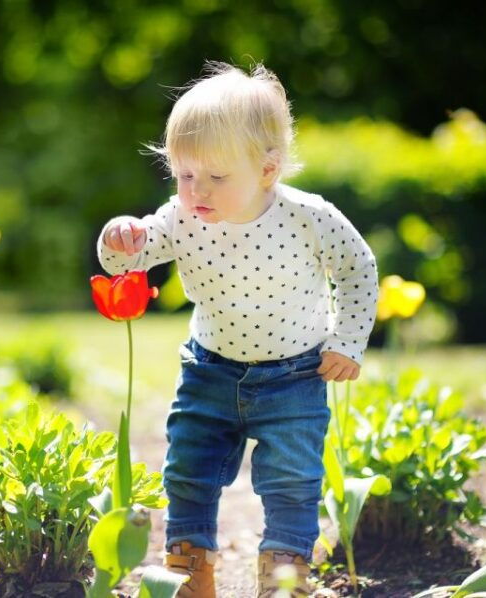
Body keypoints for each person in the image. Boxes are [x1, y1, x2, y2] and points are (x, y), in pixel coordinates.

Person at [95, 61, 379, 598]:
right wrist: (119, 239)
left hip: (295, 376)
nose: (196, 190)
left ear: (267, 170)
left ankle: (285, 572)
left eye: (216, 177)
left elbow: (357, 268)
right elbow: (124, 265)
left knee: (292, 481)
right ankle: (188, 565)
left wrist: (346, 341)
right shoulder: (180, 216)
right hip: (210, 370)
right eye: (184, 175)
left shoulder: (308, 217)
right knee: (187, 468)